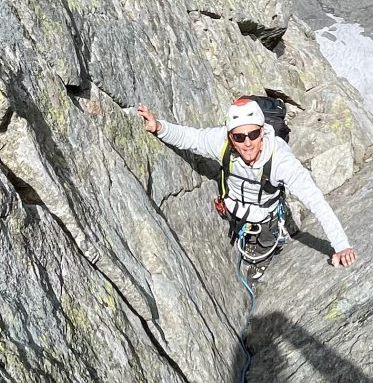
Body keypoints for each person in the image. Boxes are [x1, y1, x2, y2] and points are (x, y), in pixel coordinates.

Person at [137, 97, 359, 271]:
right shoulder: (222, 142)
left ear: (262, 131)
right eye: (240, 137)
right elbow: (191, 138)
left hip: (262, 216)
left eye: (253, 134)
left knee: (258, 255)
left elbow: (316, 201)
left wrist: (341, 246)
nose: (248, 143)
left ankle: (273, 239)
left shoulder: (281, 160)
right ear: (231, 137)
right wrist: (159, 127)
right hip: (232, 208)